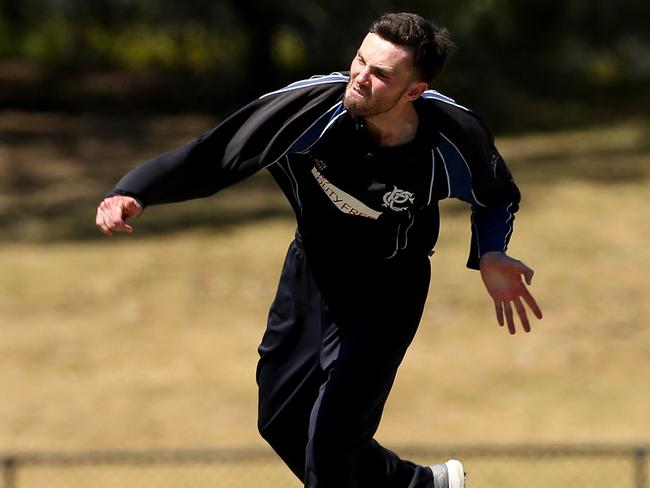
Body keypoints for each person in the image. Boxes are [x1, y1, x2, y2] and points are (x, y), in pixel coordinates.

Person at [95, 12, 542, 488]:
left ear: (414, 91)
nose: (361, 78)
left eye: (381, 74)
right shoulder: (308, 109)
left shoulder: (452, 137)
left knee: (330, 444)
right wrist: (135, 191)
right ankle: (418, 485)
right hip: (312, 274)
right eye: (360, 60)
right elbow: (216, 152)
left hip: (389, 289)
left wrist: (491, 252)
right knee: (280, 419)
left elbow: (496, 194)